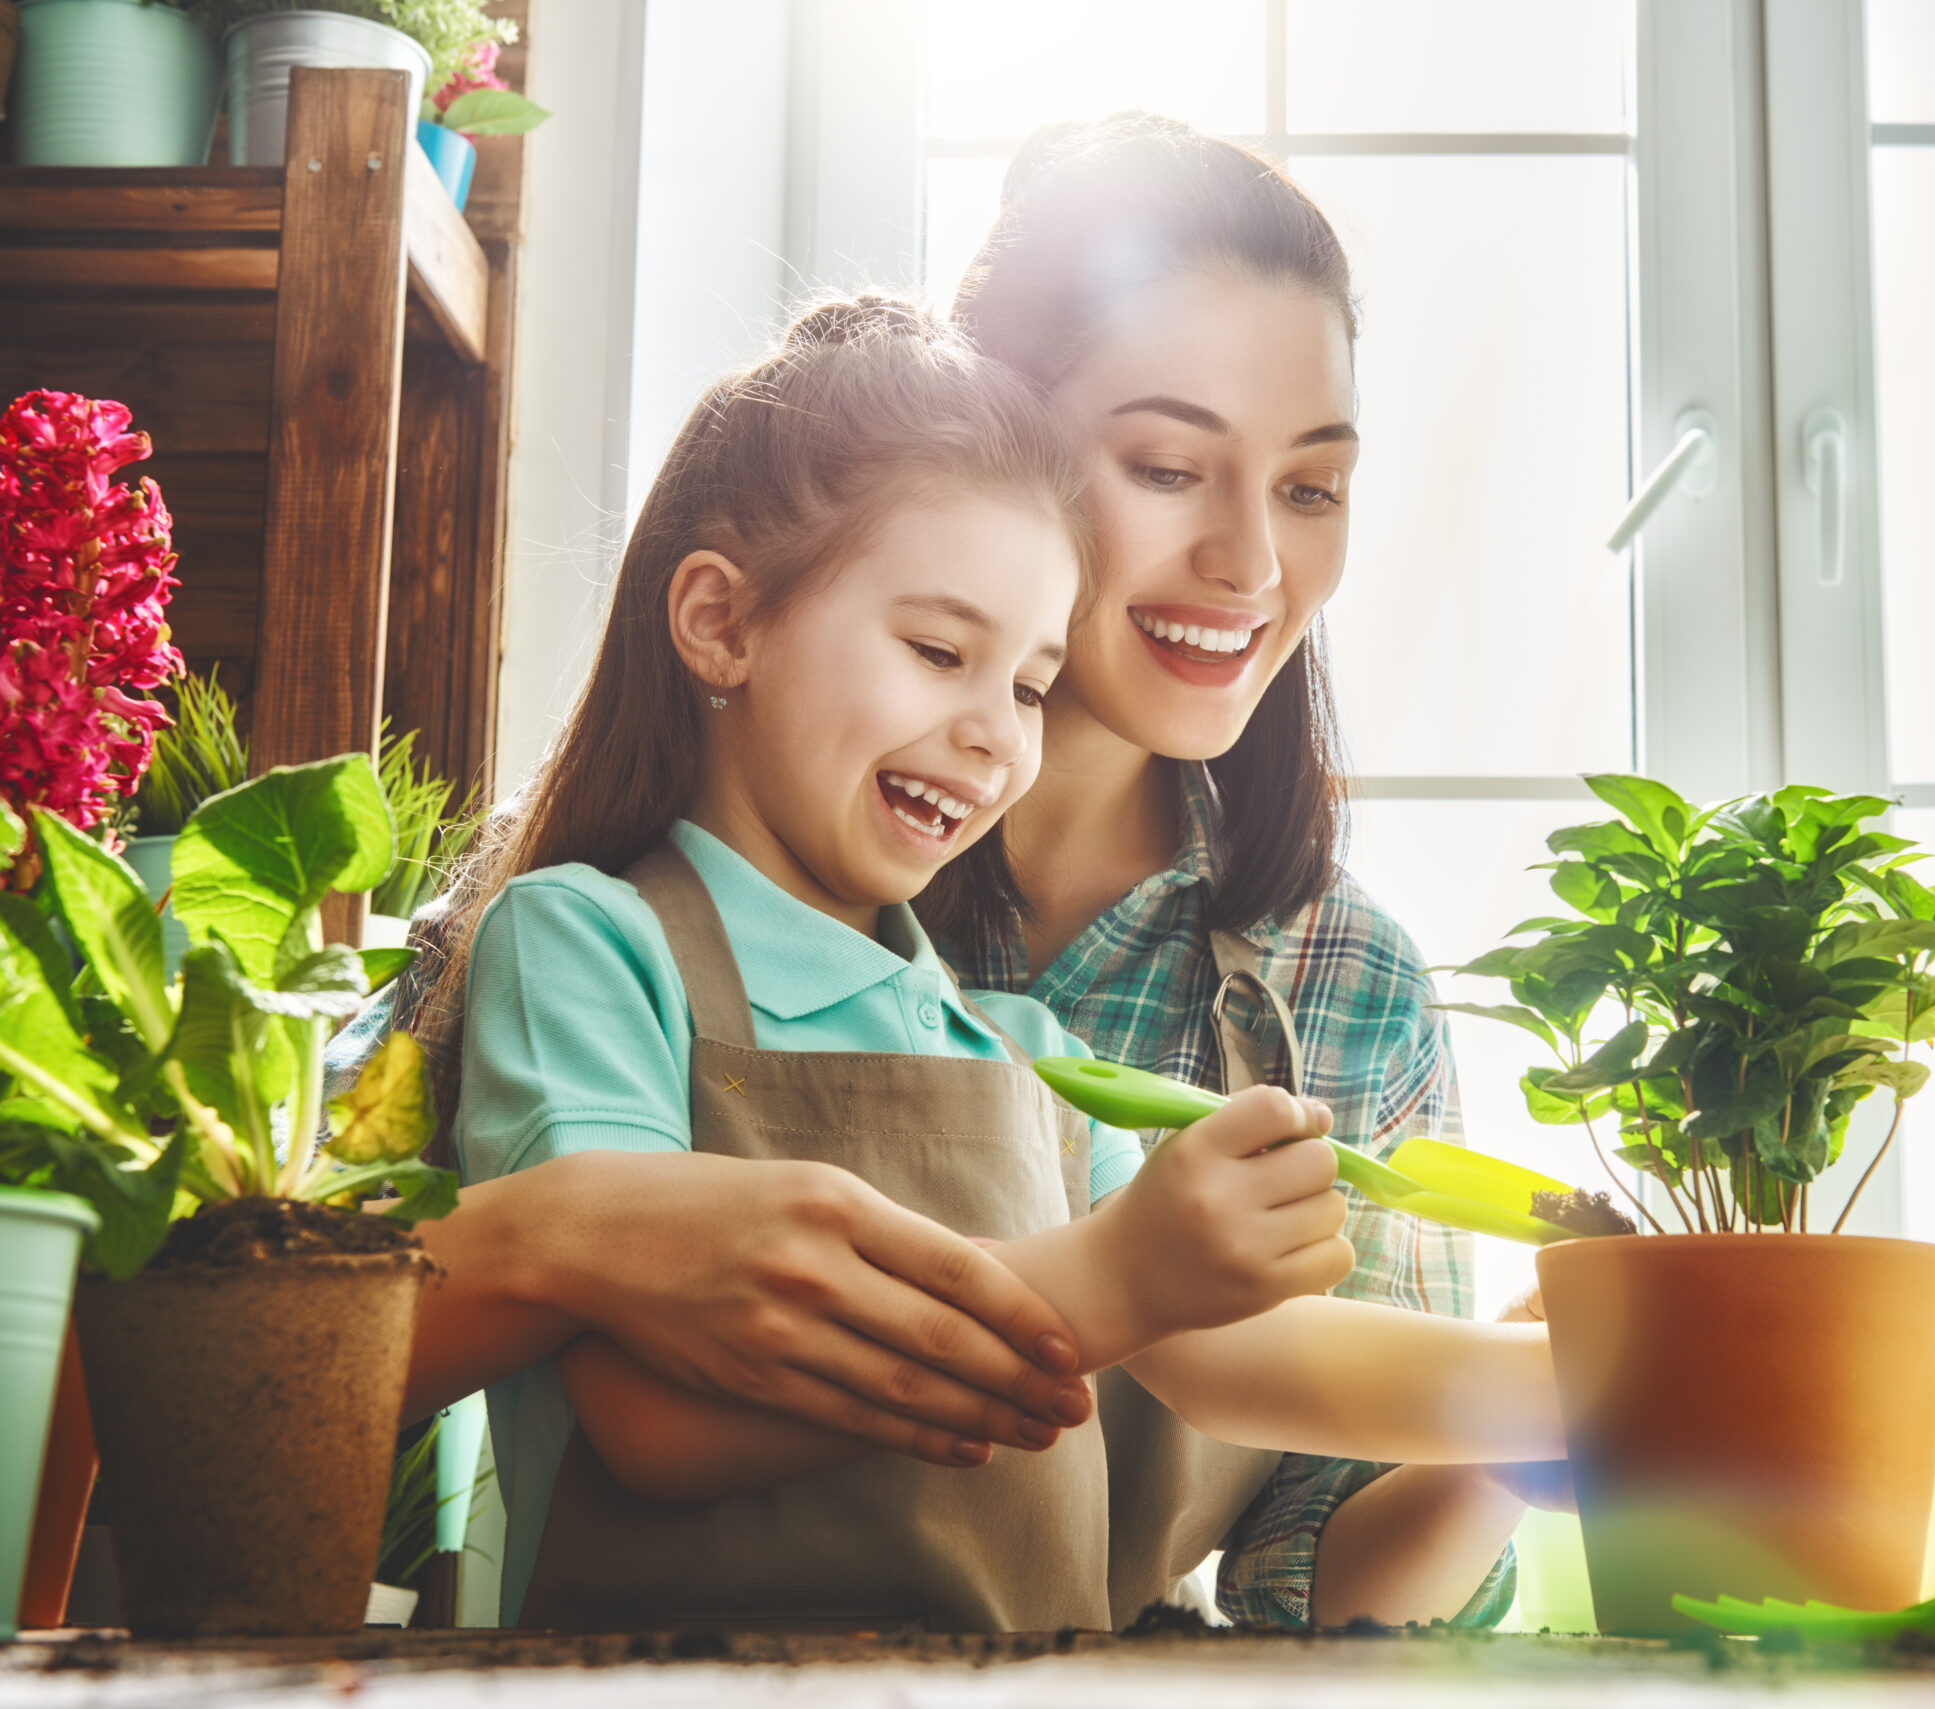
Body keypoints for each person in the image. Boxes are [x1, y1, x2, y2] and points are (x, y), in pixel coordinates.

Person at [337, 111, 1543, 1631]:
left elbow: (1244, 1350)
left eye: (1310, 487)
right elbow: (584, 1409)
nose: (1249, 563)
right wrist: (1114, 1275)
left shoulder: (1027, 1051)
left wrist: (1567, 1386)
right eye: (1170, 463)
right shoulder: (581, 934)